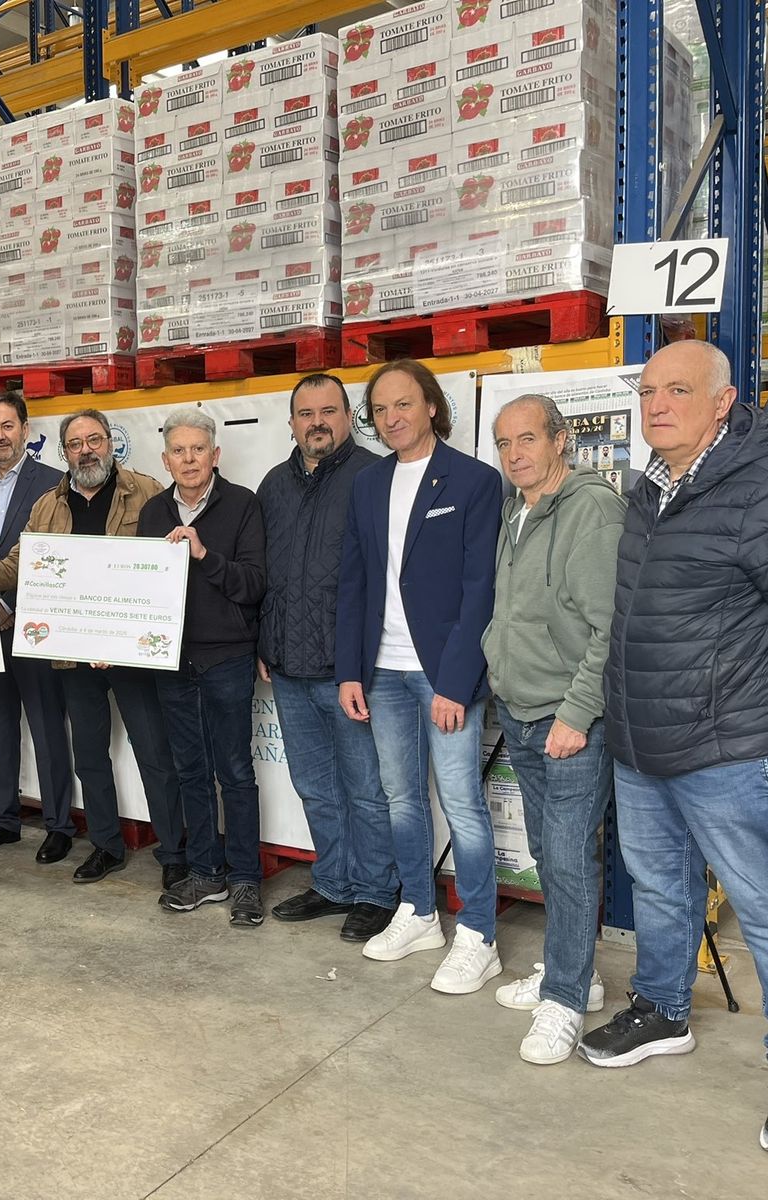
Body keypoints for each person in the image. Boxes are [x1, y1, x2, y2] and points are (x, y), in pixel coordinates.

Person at [580, 340, 768, 1159]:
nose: (657, 404)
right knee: (659, 884)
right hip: (644, 736)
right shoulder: (649, 487)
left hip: (736, 745)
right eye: (649, 390)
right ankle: (662, 1008)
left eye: (679, 390)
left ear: (724, 403)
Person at [335, 358, 503, 994]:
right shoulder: (368, 484)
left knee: (461, 801)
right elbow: (354, 582)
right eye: (379, 410)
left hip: (441, 674)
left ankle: (480, 932)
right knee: (401, 798)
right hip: (382, 672)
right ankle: (419, 911)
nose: (391, 418)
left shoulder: (475, 481)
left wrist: (458, 682)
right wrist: (350, 670)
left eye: (403, 404)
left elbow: (480, 589)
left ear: (431, 406)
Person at [482, 393, 624, 1064]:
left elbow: (610, 626)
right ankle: (583, 975)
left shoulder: (590, 509)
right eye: (505, 442)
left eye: (528, 440)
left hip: (568, 723)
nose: (515, 453)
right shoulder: (520, 509)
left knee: (567, 862)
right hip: (521, 710)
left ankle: (563, 1001)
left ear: (561, 441)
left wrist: (575, 713)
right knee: (550, 854)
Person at [0, 409, 186, 890]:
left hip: (131, 651)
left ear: (110, 444)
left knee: (153, 752)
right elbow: (20, 565)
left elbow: (166, 564)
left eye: (95, 439)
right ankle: (105, 845)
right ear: (64, 452)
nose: (87, 450)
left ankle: (176, 850)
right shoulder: (47, 506)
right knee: (91, 754)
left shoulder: (145, 491)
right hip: (73, 653)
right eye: (76, 443)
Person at [257, 373, 398, 943]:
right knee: (315, 784)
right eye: (305, 412)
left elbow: (386, 582)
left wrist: (356, 666)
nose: (317, 421)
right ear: (291, 422)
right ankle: (334, 882)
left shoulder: (373, 478)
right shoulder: (273, 485)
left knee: (366, 787)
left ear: (349, 417)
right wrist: (266, 643)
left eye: (329, 411)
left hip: (349, 674)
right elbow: (266, 573)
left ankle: (376, 893)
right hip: (289, 669)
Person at [138, 410, 267, 926]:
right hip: (170, 660)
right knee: (190, 770)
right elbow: (138, 589)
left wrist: (204, 555)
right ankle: (206, 873)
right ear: (165, 459)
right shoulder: (152, 513)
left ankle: (245, 880)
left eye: (198, 450)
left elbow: (254, 583)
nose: (189, 460)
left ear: (215, 456)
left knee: (234, 771)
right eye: (179, 451)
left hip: (227, 658)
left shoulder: (243, 506)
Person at [0, 391, 74, 862]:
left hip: (34, 624)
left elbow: (53, 555)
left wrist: (8, 601)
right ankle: (3, 819)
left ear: (25, 429)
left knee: (46, 726)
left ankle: (59, 825)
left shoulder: (53, 483)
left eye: (8, 426)